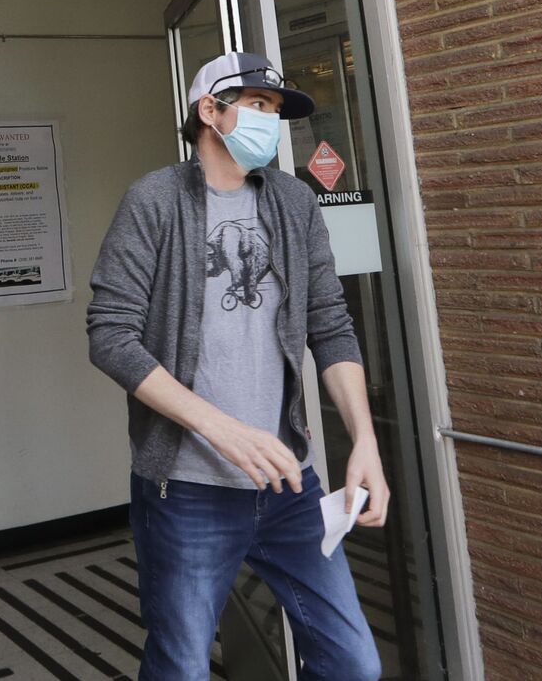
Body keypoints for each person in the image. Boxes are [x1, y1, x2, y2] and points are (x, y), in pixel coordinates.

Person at [86, 51, 388, 681]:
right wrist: (222, 429)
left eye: (275, 110)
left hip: (289, 485)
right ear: (210, 111)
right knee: (181, 667)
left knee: (353, 662)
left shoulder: (294, 201)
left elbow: (330, 324)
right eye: (256, 105)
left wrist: (364, 440)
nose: (270, 121)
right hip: (187, 490)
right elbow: (111, 336)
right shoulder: (155, 201)